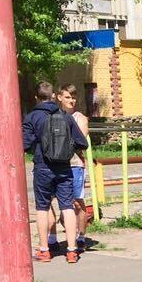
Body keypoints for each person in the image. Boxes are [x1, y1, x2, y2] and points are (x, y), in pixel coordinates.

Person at [22, 81, 87, 264]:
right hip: (64, 168)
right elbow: (82, 143)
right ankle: (72, 250)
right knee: (67, 206)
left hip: (42, 168)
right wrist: (66, 148)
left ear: (36, 97)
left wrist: (38, 146)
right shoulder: (65, 116)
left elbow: (24, 144)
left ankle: (44, 250)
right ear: (53, 96)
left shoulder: (32, 117)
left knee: (42, 208)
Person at [54, 84, 92, 250]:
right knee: (61, 201)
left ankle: (81, 236)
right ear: (59, 97)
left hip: (75, 164)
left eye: (73, 97)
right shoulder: (54, 116)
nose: (71, 100)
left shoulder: (80, 118)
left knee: (77, 201)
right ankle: (64, 235)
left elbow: (80, 140)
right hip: (57, 165)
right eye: (68, 97)